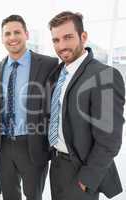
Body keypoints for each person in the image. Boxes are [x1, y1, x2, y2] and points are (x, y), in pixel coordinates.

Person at [47, 11, 125, 200]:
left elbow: (109, 140)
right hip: (57, 165)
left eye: (68, 37)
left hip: (81, 170)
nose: (61, 45)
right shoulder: (58, 73)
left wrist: (86, 180)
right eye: (56, 40)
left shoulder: (104, 76)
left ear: (83, 37)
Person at [0, 15, 58, 200]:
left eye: (17, 32)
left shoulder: (48, 64)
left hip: (33, 144)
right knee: (9, 194)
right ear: (3, 38)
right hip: (4, 144)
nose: (12, 37)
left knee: (33, 195)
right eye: (7, 33)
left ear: (26, 34)